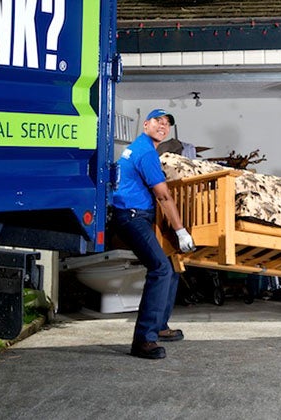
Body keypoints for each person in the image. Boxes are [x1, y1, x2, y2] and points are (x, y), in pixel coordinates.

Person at [111, 108, 196, 359]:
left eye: (167, 123)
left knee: (169, 266)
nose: (163, 126)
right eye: (158, 121)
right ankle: (143, 340)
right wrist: (181, 231)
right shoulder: (146, 153)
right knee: (160, 269)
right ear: (145, 124)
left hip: (136, 215)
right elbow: (163, 195)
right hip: (132, 217)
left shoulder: (138, 147)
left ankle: (159, 326)